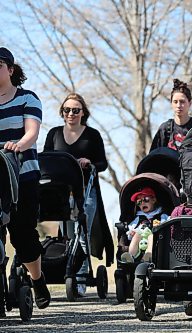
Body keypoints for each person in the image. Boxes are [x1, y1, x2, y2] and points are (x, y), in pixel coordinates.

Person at [44, 92, 113, 297]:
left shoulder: (92, 135)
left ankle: (80, 278)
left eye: (76, 110)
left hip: (86, 191)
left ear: (83, 113)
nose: (71, 114)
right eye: (67, 110)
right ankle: (63, 270)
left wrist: (89, 162)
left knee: (83, 235)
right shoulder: (54, 134)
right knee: (68, 235)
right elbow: (46, 159)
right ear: (62, 112)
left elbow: (103, 164)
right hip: (61, 193)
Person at [0, 47, 51, 309]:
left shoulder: (26, 98)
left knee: (22, 235)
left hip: (23, 176)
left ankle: (37, 279)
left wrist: (18, 144)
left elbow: (32, 132)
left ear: (10, 69)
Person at [121, 187, 169, 263]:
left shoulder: (161, 216)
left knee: (152, 236)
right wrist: (131, 233)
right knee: (137, 234)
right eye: (139, 202)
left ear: (153, 200)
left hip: (157, 243)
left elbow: (169, 224)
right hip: (140, 242)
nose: (142, 203)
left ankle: (148, 256)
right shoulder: (139, 218)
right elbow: (131, 228)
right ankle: (130, 256)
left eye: (146, 199)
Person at [150, 79, 192, 152]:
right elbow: (154, 157)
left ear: (190, 103)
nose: (178, 105)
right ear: (171, 103)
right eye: (175, 102)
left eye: (182, 102)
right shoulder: (165, 129)